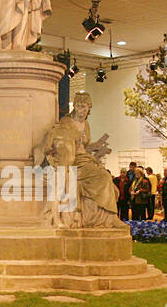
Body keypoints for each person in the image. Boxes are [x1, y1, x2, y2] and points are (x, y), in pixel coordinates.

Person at [33, 91, 120, 228]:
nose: (81, 110)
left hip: (83, 158)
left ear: (89, 108)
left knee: (105, 177)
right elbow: (64, 145)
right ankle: (105, 218)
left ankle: (108, 217)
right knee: (103, 178)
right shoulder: (66, 122)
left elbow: (83, 148)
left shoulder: (86, 124)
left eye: (84, 107)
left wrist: (95, 147)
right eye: (78, 106)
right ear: (74, 107)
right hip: (71, 160)